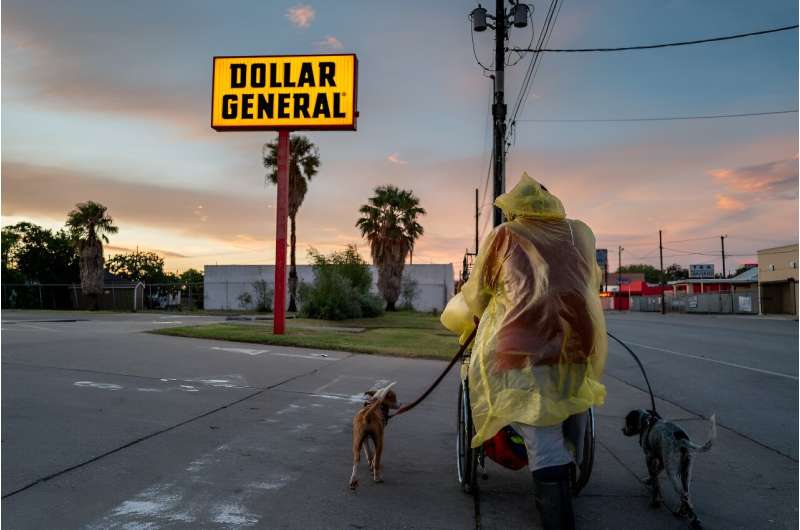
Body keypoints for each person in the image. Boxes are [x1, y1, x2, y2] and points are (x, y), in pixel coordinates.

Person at [442, 173, 608, 530]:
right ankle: (565, 456)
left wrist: (477, 316)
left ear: (517, 209)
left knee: (542, 434)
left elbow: (480, 291)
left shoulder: (505, 236)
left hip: (522, 350)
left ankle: (556, 512)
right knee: (568, 410)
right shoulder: (578, 233)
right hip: (577, 347)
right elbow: (589, 282)